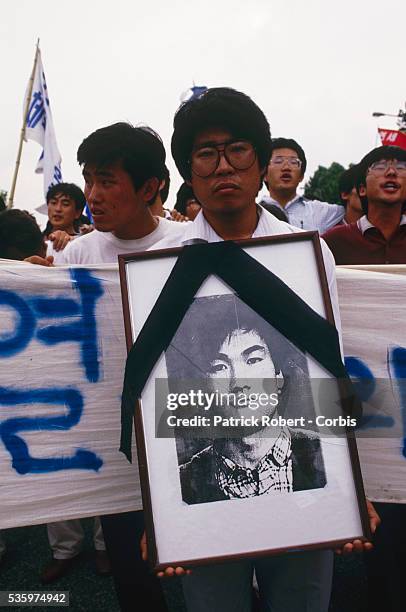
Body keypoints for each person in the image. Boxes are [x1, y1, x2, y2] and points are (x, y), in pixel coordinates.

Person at [141, 87, 379, 612]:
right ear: (188, 170)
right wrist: (164, 512)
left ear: (259, 162)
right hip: (203, 510)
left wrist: (344, 487)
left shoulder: (307, 253)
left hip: (305, 486)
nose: (223, 166)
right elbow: (155, 385)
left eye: (238, 149)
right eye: (206, 154)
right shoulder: (158, 266)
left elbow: (324, 365)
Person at [61, 121, 187, 612]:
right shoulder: (78, 253)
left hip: (185, 421)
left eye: (107, 180)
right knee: (131, 568)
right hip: (114, 438)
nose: (93, 195)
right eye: (89, 179)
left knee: (212, 550)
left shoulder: (189, 243)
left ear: (150, 187)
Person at [166, 294, 326, 505]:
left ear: (278, 377)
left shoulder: (326, 455)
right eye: (219, 367)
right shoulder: (183, 485)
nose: (238, 383)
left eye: (253, 360)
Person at [322, 145, 406, 264]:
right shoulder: (333, 241)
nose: (391, 172)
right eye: (380, 166)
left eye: (401, 167)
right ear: (362, 189)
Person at [260, 137, 345, 232]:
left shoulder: (318, 211)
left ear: (301, 176)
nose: (286, 167)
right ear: (264, 174)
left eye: (293, 162)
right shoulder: (254, 213)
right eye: (278, 161)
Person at [44, 183, 91, 262]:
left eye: (65, 204)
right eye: (53, 203)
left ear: (77, 213)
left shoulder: (84, 244)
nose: (58, 209)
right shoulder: (37, 241)